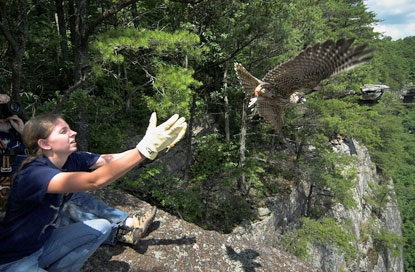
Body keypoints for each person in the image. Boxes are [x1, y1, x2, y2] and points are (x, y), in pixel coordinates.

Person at [0, 110, 187, 271]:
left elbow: (110, 160)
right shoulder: (34, 173)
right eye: (64, 131)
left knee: (102, 228)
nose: (73, 133)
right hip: (14, 260)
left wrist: (152, 147)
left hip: (42, 245)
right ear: (45, 144)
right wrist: (143, 150)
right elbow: (94, 180)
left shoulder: (72, 160)